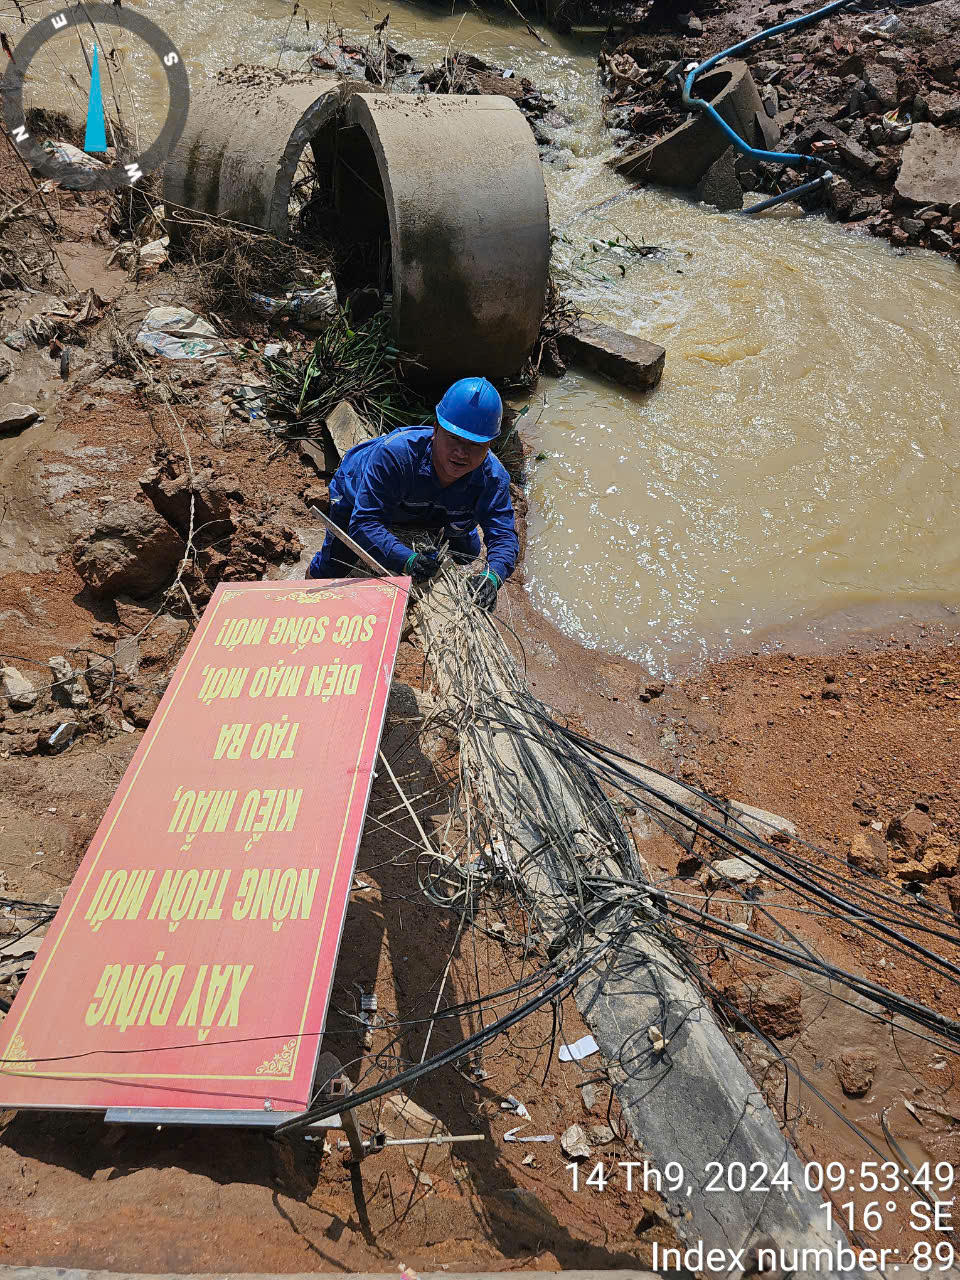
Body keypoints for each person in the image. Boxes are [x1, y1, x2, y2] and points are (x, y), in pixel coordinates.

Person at [307, 376, 518, 612]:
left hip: (429, 507)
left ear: (489, 445)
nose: (461, 452)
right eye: (454, 438)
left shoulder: (494, 478)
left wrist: (493, 577)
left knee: (468, 553)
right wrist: (408, 560)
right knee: (334, 565)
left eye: (475, 445)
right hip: (358, 490)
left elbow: (504, 536)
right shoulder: (395, 456)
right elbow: (364, 523)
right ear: (435, 429)